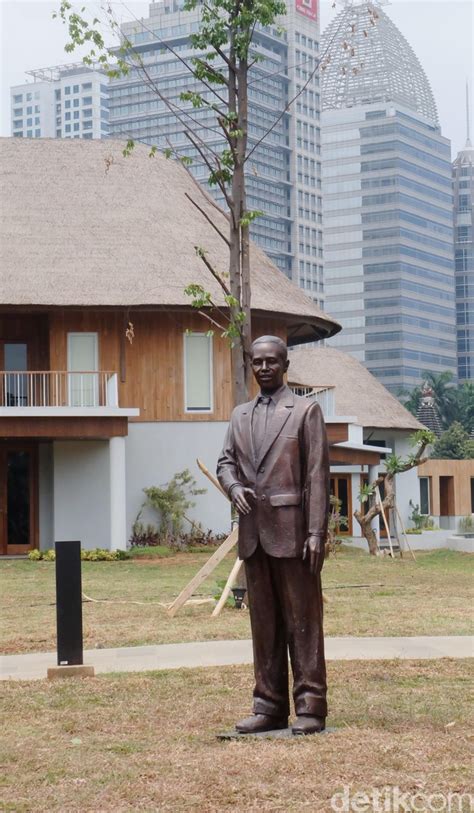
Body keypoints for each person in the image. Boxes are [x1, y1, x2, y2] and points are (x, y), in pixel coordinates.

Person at [217, 335, 330, 735]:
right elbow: (225, 463)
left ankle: (311, 705)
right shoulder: (239, 416)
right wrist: (233, 488)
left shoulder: (305, 411)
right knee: (263, 624)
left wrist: (317, 532)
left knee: (303, 621)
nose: (263, 368)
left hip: (294, 533)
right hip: (253, 534)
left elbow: (317, 477)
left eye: (271, 362)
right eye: (257, 362)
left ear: (285, 365)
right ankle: (268, 705)